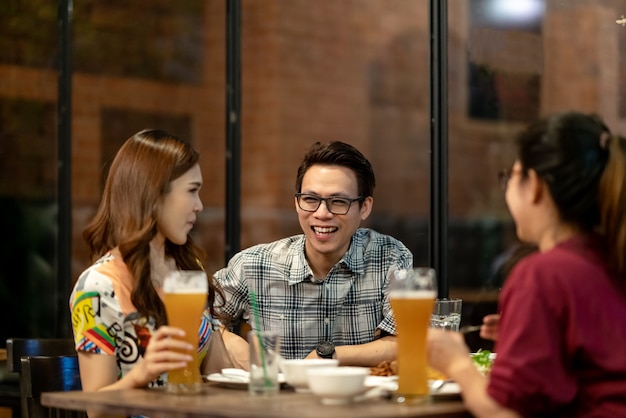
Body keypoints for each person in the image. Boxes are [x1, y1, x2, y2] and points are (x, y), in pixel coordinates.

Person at [428, 112, 626, 417]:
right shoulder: (611, 256)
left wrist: (455, 362)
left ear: (534, 186)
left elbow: (504, 412)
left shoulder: (543, 273)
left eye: (510, 176)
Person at [69, 129, 246, 401]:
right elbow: (97, 409)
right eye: (191, 191)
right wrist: (144, 373)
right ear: (154, 194)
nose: (199, 205)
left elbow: (216, 377)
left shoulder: (187, 270)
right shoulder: (96, 287)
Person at [214, 141, 413, 366]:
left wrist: (327, 356)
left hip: (360, 400)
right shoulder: (253, 265)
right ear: (297, 203)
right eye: (310, 200)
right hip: (276, 400)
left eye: (338, 202)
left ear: (365, 207)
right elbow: (199, 320)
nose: (322, 213)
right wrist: (237, 347)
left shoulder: (389, 258)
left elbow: (409, 340)